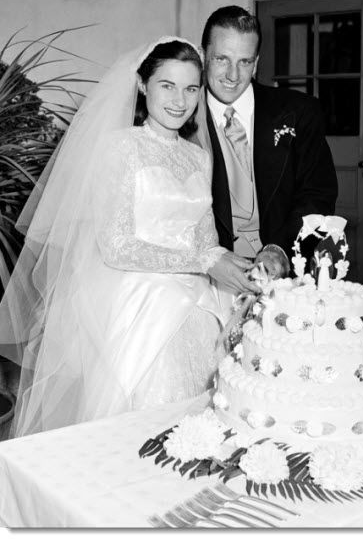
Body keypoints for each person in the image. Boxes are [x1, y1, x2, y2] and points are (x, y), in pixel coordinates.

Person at [0, 36, 259, 438]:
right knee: (151, 427)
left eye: (191, 88)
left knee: (212, 419)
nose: (180, 100)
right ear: (143, 85)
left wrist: (238, 268)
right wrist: (206, 262)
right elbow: (117, 246)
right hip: (140, 302)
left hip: (199, 303)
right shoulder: (119, 148)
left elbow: (205, 240)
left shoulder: (199, 156)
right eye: (166, 85)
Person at [193, 5, 338, 271]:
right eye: (222, 59)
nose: (233, 76)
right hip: (207, 273)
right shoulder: (183, 119)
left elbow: (318, 193)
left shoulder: (299, 111)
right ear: (204, 57)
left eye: (244, 61)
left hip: (285, 269)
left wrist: (280, 250)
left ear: (256, 62)